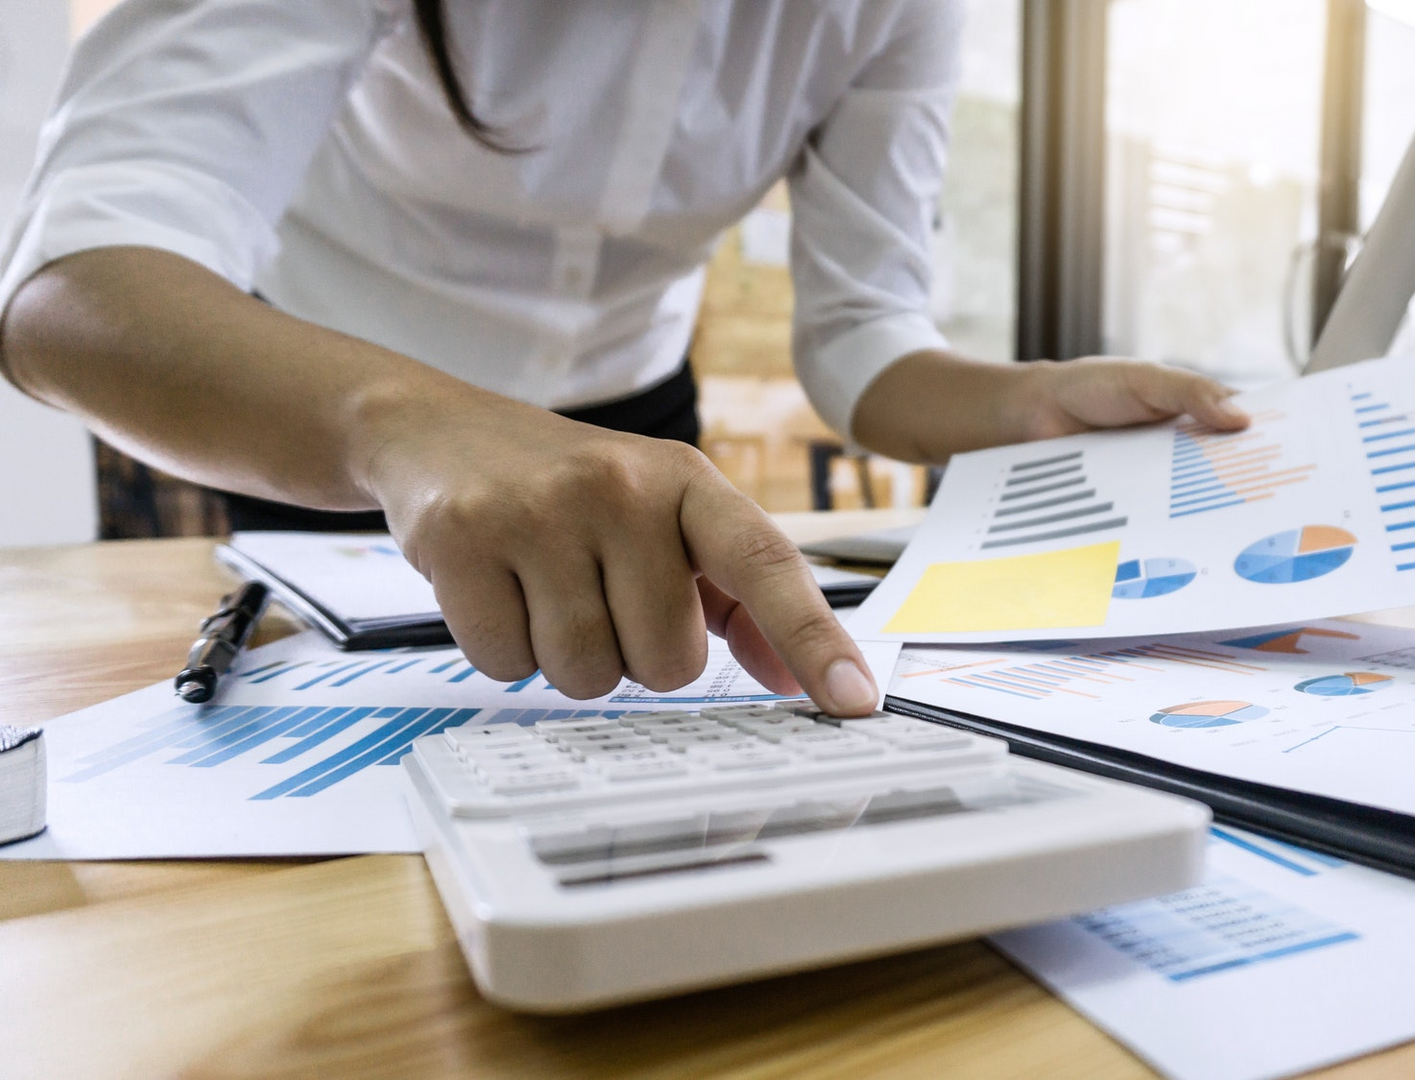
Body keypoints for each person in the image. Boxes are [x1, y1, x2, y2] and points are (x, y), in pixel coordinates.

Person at [0, 1, 1248, 714]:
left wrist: (1029, 404)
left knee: (622, 748)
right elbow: (70, 288)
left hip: (633, 434)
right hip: (317, 412)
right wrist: (405, 424)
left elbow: (865, 335)